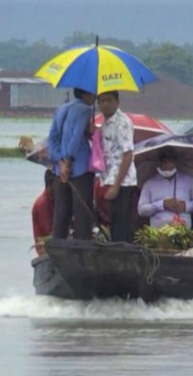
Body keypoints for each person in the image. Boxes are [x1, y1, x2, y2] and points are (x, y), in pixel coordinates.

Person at [47, 88, 95, 240]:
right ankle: (82, 246)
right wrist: (68, 162)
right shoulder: (85, 109)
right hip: (79, 168)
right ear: (86, 94)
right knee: (82, 211)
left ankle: (58, 243)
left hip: (59, 171)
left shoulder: (61, 109)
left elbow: (52, 139)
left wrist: (60, 163)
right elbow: (75, 137)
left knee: (62, 211)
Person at [95, 91, 137, 242]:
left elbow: (128, 155)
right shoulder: (104, 124)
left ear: (117, 102)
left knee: (121, 225)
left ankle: (123, 258)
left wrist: (116, 186)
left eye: (109, 100)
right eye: (102, 101)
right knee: (114, 223)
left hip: (123, 182)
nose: (105, 104)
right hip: (109, 179)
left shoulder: (122, 123)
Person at [138, 148, 193, 228]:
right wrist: (162, 204)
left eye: (170, 162)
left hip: (183, 231)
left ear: (175, 163)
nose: (167, 166)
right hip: (158, 233)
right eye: (164, 162)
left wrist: (185, 206)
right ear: (159, 163)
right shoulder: (149, 184)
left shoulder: (188, 181)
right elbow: (141, 209)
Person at [32, 170, 56, 255]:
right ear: (50, 185)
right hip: (45, 250)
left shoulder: (56, 200)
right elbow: (48, 231)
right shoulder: (42, 204)